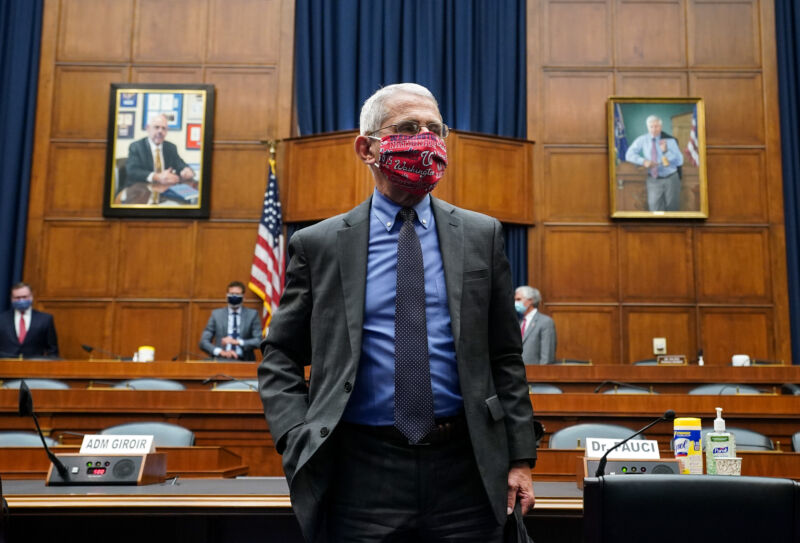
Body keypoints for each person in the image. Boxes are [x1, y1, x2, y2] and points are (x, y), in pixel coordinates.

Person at [258, 83, 537, 543]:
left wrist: (520, 457)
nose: (425, 139)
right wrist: (296, 437)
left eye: (435, 129)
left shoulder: (480, 234)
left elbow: (505, 356)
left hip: (466, 466)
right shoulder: (320, 244)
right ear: (366, 148)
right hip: (360, 470)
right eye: (408, 128)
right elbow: (280, 355)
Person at [625, 115, 684, 211]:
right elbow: (629, 154)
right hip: (653, 179)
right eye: (651, 126)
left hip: (671, 178)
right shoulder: (642, 140)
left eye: (656, 126)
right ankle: (660, 226)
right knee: (655, 209)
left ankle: (670, 226)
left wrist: (666, 152)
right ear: (647, 127)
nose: (654, 129)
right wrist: (643, 161)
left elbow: (680, 161)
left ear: (661, 127)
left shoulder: (670, 140)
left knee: (672, 209)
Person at [124, 113, 194, 193]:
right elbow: (132, 171)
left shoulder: (171, 147)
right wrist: (157, 176)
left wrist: (186, 171)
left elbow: (180, 164)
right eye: (156, 127)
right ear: (148, 128)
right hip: (141, 192)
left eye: (164, 128)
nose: (160, 131)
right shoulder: (136, 147)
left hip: (165, 191)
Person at [199, 281, 263, 361]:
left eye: (237, 294)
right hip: (221, 359)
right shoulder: (216, 315)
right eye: (232, 294)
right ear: (226, 296)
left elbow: (258, 341)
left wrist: (238, 342)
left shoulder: (252, 315)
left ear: (243, 297)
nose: (234, 297)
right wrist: (221, 352)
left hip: (244, 361)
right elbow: (203, 342)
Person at [0, 282, 59, 359]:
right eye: (17, 298)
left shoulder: (45, 319)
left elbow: (53, 350)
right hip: (5, 366)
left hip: (34, 366)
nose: (21, 300)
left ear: (31, 297)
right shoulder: (2, 319)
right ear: (11, 299)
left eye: (24, 297)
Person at [515, 286, 556, 365]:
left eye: (518, 299)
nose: (515, 303)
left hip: (536, 374)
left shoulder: (545, 322)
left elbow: (546, 356)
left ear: (530, 301)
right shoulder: (519, 322)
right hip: (518, 373)